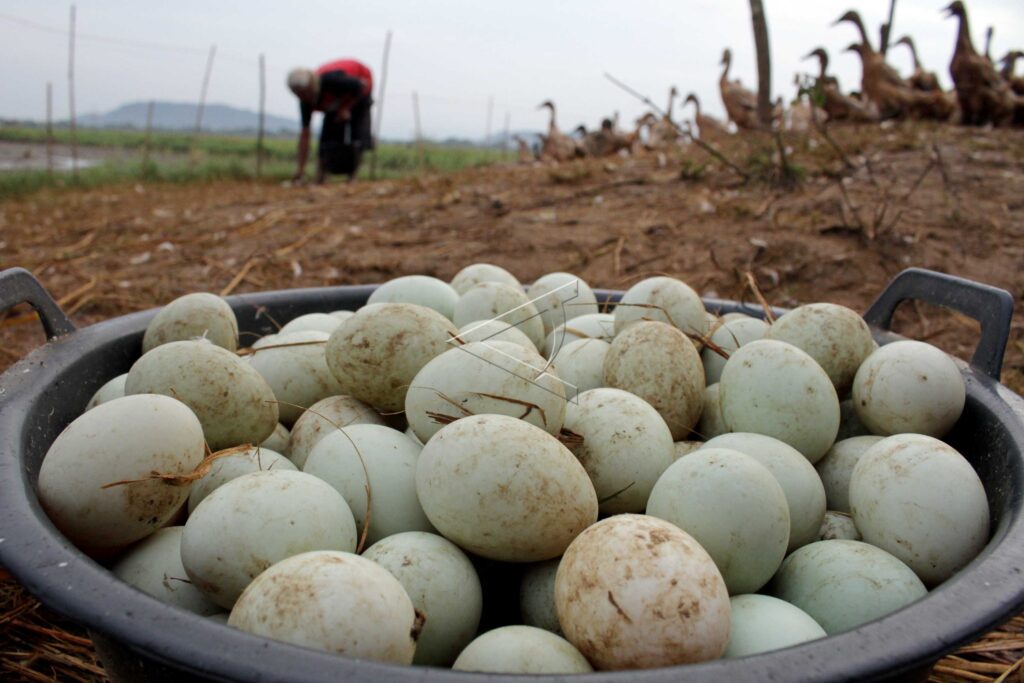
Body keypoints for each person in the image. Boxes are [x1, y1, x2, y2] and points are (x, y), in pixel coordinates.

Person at [287, 59, 374, 184]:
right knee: (328, 133)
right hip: (336, 100)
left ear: (311, 86)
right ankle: (321, 175)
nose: (302, 96)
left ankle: (353, 175)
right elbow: (305, 134)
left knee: (357, 130)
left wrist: (346, 108)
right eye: (298, 94)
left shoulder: (332, 81)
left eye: (304, 93)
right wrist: (300, 170)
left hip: (360, 84)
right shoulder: (305, 102)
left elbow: (362, 85)